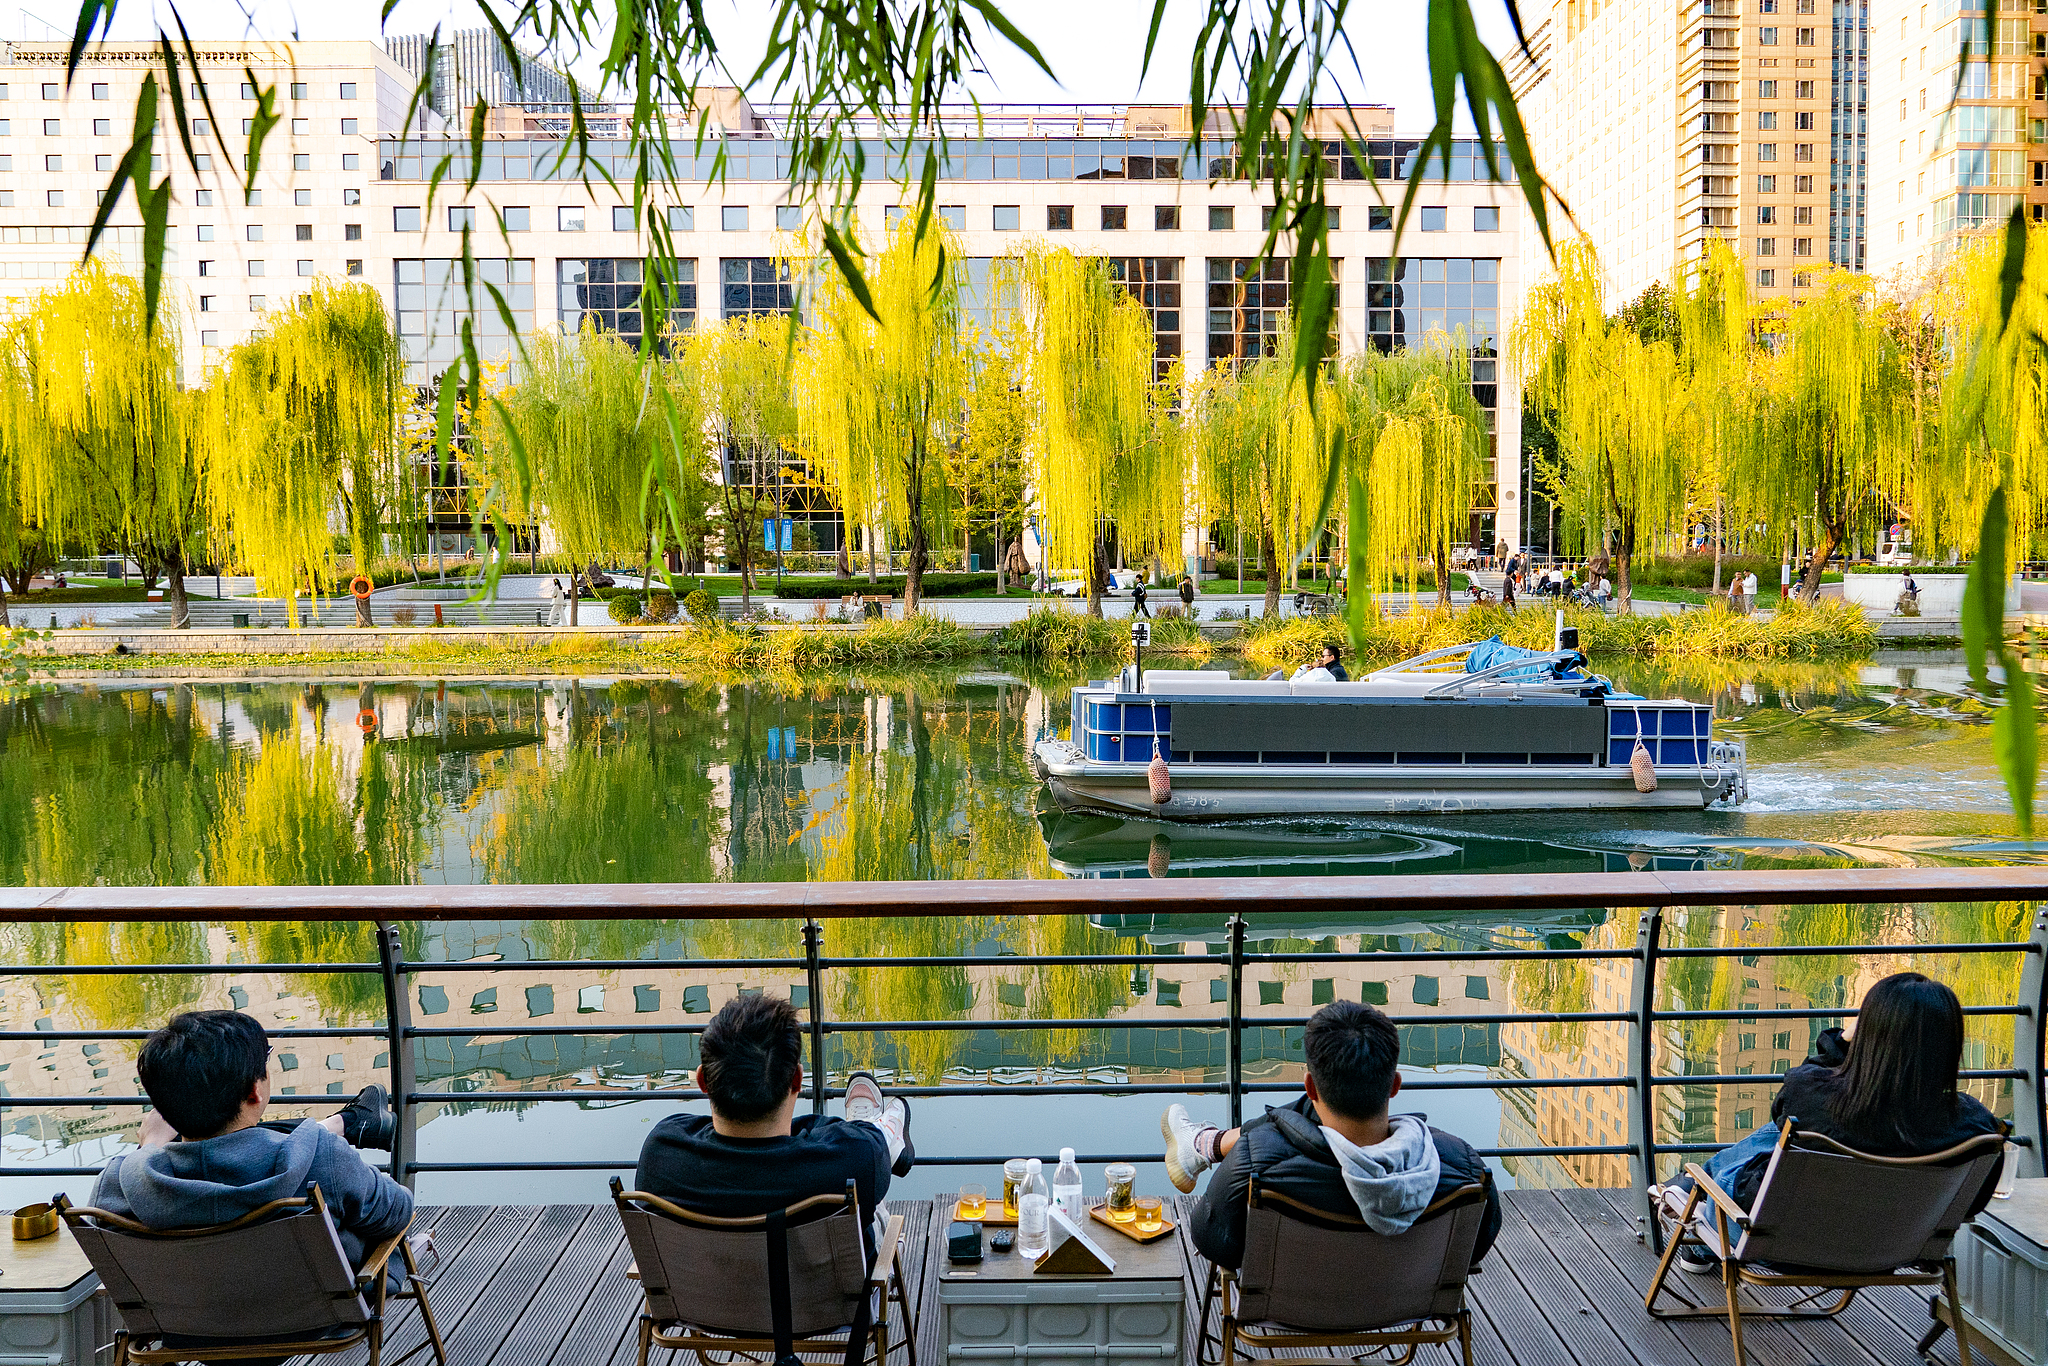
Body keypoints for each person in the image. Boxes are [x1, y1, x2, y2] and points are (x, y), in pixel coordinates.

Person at [1666, 972, 2005, 1273]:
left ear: (1868, 1034)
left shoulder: (1812, 1095)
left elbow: (1786, 1106)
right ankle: (1693, 1185)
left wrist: (1842, 1039)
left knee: (1773, 1142)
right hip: (1895, 1252)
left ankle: (1694, 1194)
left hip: (1778, 1247)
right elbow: (1970, 1205)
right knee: (1786, 1136)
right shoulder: (1980, 1130)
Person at [1161, 1001, 1500, 1272]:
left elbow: (1210, 1238)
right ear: (1395, 1084)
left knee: (1297, 1117)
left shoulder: (1258, 1162)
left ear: (1309, 1087)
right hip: (1404, 1305)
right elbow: (1473, 1250)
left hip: (1295, 1306)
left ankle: (1206, 1145)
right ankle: (1204, 1145)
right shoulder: (1463, 1165)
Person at [89, 1011, 409, 1286]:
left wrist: (150, 1148)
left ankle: (347, 1122)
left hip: (189, 1327)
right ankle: (349, 1123)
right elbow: (397, 1212)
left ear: (159, 1109)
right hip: (317, 1318)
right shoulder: (323, 1159)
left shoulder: (118, 1183)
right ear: (255, 1091)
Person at [633, 994, 914, 1245]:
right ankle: (881, 1131)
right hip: (814, 1303)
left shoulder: (660, 1153)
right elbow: (856, 1151)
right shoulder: (853, 1161)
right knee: (873, 1205)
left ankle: (875, 1131)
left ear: (703, 1081)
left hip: (697, 1302)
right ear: (797, 1080)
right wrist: (841, 1133)